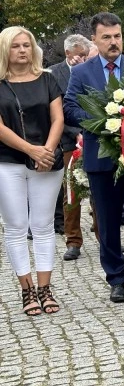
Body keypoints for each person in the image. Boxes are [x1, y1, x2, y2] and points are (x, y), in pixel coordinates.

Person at [64, 12, 124, 303]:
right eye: (106, 37)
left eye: (117, 36)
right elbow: (69, 107)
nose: (113, 42)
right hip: (100, 159)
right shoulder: (82, 73)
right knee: (108, 220)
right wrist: (99, 119)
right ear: (95, 39)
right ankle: (116, 278)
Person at [0, 26, 65, 315]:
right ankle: (26, 290)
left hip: (47, 162)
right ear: (5, 50)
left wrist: (46, 151)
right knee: (15, 227)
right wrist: (31, 150)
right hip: (8, 161)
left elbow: (58, 119)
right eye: (16, 46)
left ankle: (45, 288)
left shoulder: (47, 80)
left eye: (27, 45)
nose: (23, 50)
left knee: (43, 225)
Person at [50, 33, 92, 261]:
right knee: (72, 193)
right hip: (69, 141)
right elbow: (56, 112)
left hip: (95, 137)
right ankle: (73, 240)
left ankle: (104, 235)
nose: (82, 58)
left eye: (86, 54)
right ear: (68, 53)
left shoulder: (91, 70)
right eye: (79, 55)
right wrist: (75, 134)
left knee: (99, 190)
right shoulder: (55, 74)